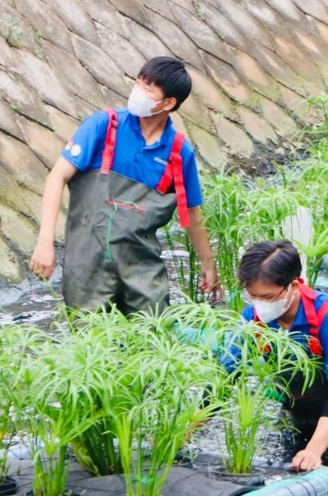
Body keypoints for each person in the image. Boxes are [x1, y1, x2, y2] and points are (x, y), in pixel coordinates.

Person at [29, 57, 220, 314]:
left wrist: (208, 264)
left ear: (169, 102)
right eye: (138, 83)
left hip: (142, 271)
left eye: (148, 88)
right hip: (88, 270)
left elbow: (191, 214)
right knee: (92, 343)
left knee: (152, 338)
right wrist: (45, 242)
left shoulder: (178, 152)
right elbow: (56, 178)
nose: (137, 91)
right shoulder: (103, 126)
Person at [232, 240, 328, 471]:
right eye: (253, 297)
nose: (260, 305)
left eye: (267, 297)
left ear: (294, 286)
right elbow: (223, 380)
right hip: (298, 420)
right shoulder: (252, 320)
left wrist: (313, 451)